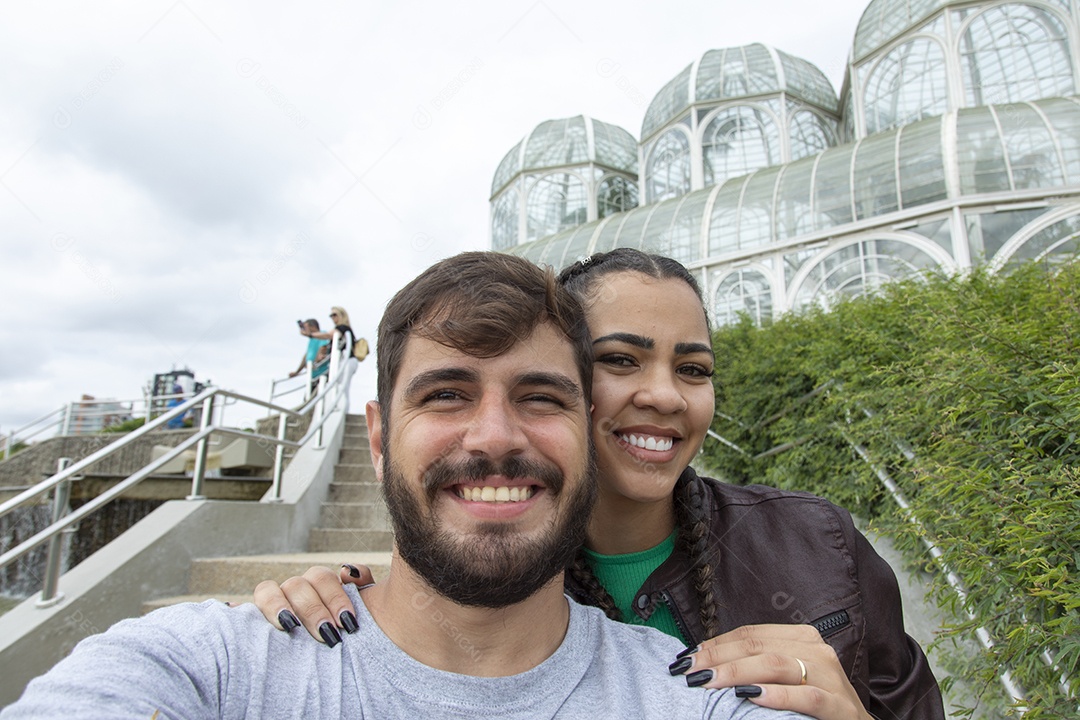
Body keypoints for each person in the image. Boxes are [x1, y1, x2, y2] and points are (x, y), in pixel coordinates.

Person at [1, 252, 805, 720]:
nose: (495, 437)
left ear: (589, 437)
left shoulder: (700, 700)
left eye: (541, 397)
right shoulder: (207, 669)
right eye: (447, 393)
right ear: (379, 439)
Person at [253, 249, 945, 720]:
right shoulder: (501, 571)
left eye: (695, 370)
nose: (666, 396)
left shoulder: (816, 542)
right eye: (621, 360)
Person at [303, 306, 359, 412]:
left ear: (341, 315)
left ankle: (342, 412)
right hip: (342, 361)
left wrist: (310, 335)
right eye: (331, 315)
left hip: (347, 361)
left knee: (343, 387)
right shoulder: (342, 330)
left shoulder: (342, 328)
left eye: (334, 315)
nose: (332, 317)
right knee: (337, 386)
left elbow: (328, 335)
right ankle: (337, 409)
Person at [288, 318, 329, 385]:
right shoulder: (311, 340)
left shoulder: (322, 334)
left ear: (312, 327)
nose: (303, 329)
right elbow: (307, 356)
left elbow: (323, 348)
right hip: (312, 376)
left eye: (305, 327)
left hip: (321, 375)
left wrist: (315, 363)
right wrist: (297, 372)